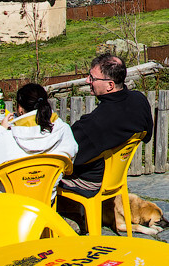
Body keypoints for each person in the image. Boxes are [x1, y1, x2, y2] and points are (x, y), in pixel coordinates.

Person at [59, 53, 153, 196]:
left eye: (92, 78)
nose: (87, 80)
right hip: (115, 177)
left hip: (91, 182)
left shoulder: (94, 123)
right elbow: (147, 136)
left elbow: (66, 157)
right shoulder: (140, 100)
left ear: (110, 85)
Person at [0, 83, 78, 196]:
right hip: (42, 206)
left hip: (7, 208)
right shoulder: (64, 130)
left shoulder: (7, 138)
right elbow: (69, 164)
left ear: (20, 109)